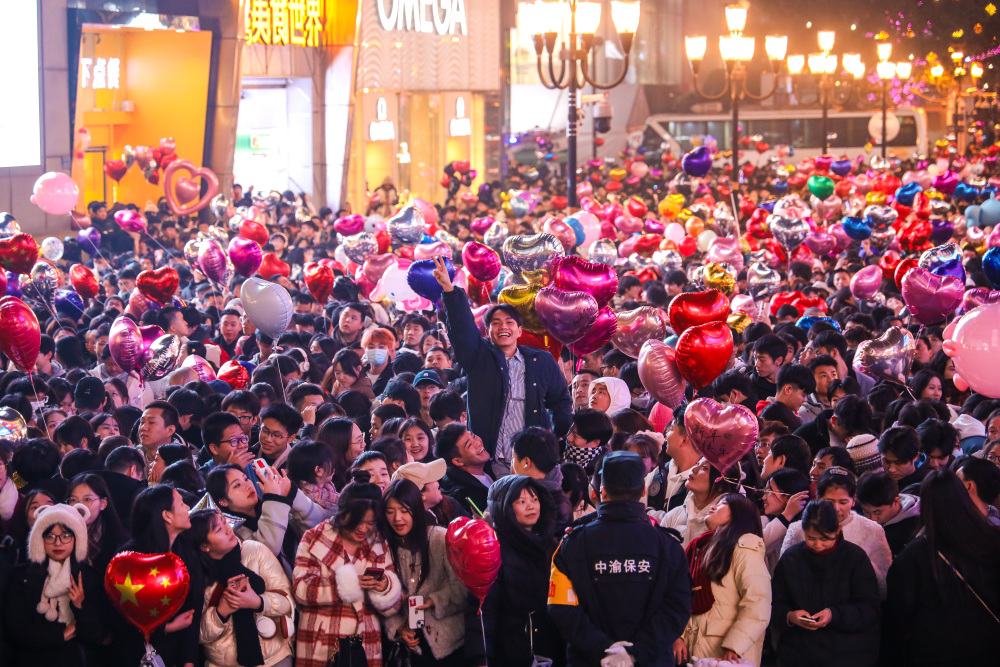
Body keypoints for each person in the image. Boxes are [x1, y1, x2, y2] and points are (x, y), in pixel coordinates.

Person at [548, 451, 693, 666]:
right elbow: (678, 607)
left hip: (590, 660)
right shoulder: (668, 546)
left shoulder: (572, 543)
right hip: (651, 661)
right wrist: (638, 652)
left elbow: (561, 607)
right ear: (643, 490)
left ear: (602, 492)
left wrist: (605, 650)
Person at [434, 256, 573, 477]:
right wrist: (450, 290)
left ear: (519, 330)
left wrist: (556, 436)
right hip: (493, 460)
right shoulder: (478, 358)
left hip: (534, 458)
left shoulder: (542, 360)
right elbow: (463, 330)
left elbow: (560, 401)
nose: (502, 327)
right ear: (488, 332)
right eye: (495, 323)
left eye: (509, 322)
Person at [884, 470, 1000, 666]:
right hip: (989, 647)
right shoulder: (991, 539)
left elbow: (898, 610)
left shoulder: (915, 555)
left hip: (936, 651)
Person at [292, 473, 402, 667]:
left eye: (370, 523)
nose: (363, 529)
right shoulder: (314, 538)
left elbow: (393, 607)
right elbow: (301, 589)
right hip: (320, 644)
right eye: (356, 521)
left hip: (365, 644)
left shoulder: (378, 542)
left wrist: (384, 587)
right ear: (342, 513)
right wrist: (345, 585)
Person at [770, 500, 881, 667]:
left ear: (838, 530)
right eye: (811, 538)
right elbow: (774, 604)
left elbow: (869, 609)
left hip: (848, 653)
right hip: (799, 652)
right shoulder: (791, 559)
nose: (818, 545)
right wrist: (790, 616)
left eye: (825, 538)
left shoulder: (855, 558)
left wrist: (833, 614)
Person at [471, 474, 564, 667]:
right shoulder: (494, 551)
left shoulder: (551, 545)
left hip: (552, 647)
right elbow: (483, 612)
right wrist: (481, 659)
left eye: (534, 499)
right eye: (521, 501)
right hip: (512, 651)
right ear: (504, 508)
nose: (531, 506)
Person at [673, 493, 771, 666]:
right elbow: (683, 597)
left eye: (722, 504)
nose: (713, 506)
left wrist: (734, 646)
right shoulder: (701, 547)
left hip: (728, 655)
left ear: (738, 514)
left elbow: (758, 603)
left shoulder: (746, 549)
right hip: (696, 648)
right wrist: (678, 635)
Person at [111, 486, 204, 667]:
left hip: (176, 654)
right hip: (137, 656)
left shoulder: (186, 551)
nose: (188, 508)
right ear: (167, 515)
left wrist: (189, 660)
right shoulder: (129, 558)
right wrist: (166, 628)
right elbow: (119, 616)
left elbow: (194, 609)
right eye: (181, 503)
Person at [188, 510, 295, 667]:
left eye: (224, 521)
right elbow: (196, 634)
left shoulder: (256, 551)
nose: (227, 529)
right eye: (218, 529)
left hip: (274, 658)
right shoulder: (198, 576)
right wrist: (221, 612)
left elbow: (288, 601)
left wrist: (258, 602)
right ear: (204, 546)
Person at [1, 503, 102, 667]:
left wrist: (80, 606)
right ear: (39, 538)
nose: (58, 543)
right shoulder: (21, 577)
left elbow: (98, 635)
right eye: (50, 536)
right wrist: (60, 635)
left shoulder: (89, 576)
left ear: (77, 537)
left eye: (66, 535)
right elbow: (16, 630)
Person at [381, 479, 467, 666]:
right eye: (390, 512)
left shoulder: (439, 538)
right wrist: (397, 628)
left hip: (451, 643)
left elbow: (462, 587)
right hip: (413, 647)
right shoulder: (384, 548)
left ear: (417, 510)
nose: (397, 518)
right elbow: (381, 599)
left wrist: (434, 600)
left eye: (404, 511)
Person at [781, 468, 893, 598]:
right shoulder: (798, 530)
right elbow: (784, 576)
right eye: (829, 501)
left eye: (843, 502)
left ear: (853, 500)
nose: (836, 508)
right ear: (817, 498)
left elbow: (884, 585)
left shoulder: (873, 530)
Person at [659, 459, 738, 548]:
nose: (694, 469)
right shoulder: (674, 515)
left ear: (720, 484)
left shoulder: (727, 523)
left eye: (704, 468)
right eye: (697, 464)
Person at [511, 426, 573, 533]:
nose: (512, 463)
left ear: (526, 462)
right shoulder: (557, 493)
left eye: (513, 458)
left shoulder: (548, 503)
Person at [857, 471, 921, 556]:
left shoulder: (915, 527)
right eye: (866, 511)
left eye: (877, 512)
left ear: (896, 501)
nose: (872, 518)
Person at [436, 423, 494, 516]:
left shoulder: (488, 467)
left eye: (474, 436)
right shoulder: (465, 495)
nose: (478, 442)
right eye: (469, 444)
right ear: (458, 461)